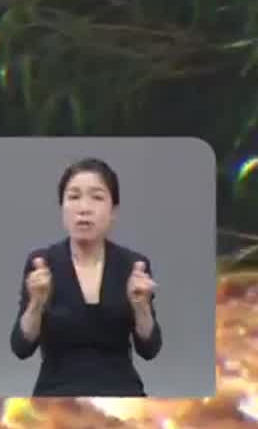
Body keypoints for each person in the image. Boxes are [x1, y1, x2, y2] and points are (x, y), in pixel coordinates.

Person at [10, 157, 162, 396]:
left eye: (97, 197)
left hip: (122, 393)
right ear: (62, 207)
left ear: (113, 211)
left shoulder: (132, 265)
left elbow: (150, 349)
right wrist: (36, 303)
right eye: (74, 197)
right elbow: (21, 347)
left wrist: (141, 306)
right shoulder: (42, 264)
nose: (84, 208)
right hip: (56, 394)